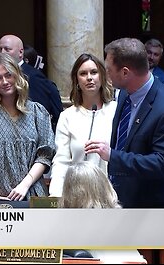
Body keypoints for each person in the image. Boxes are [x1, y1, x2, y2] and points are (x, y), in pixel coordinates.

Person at [86, 38, 164, 208]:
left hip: (152, 207)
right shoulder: (125, 93)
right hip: (122, 199)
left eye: (109, 70)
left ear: (125, 73)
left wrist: (113, 156)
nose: (105, 75)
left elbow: (163, 164)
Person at [0, 53, 55, 201]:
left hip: (32, 191)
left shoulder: (36, 111)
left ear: (17, 76)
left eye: (9, 75)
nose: (5, 81)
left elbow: (44, 155)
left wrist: (24, 185)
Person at [49, 53, 116, 197]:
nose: (89, 77)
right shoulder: (67, 116)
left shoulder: (116, 111)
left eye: (94, 72)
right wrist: (56, 196)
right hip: (78, 196)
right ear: (77, 80)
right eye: (83, 73)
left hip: (112, 196)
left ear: (102, 77)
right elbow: (61, 161)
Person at [0, 34, 63, 130]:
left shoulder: (32, 76)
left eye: (7, 49)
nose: (2, 53)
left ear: (20, 52)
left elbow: (41, 110)